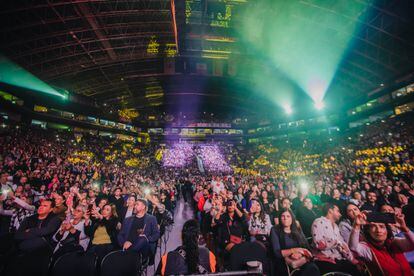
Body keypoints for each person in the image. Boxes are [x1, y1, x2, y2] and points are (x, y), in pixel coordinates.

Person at [349, 212, 414, 275]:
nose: (378, 230)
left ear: (387, 230)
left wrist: (404, 228)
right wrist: (356, 225)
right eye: (373, 227)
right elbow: (353, 247)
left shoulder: (394, 242)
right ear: (368, 231)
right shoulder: (367, 248)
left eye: (382, 226)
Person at [311, 203, 361, 275]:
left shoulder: (336, 226)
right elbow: (319, 244)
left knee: (356, 268)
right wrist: (337, 243)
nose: (340, 214)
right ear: (330, 211)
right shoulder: (319, 221)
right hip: (325, 259)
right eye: (337, 211)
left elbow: (343, 245)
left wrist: (352, 259)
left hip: (338, 258)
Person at [271, 208, 319, 276]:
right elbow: (277, 253)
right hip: (284, 262)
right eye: (283, 216)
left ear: (292, 218)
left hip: (301, 258)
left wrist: (300, 254)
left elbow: (306, 246)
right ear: (280, 218)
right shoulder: (275, 230)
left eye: (288, 216)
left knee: (312, 268)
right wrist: (296, 250)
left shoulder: (297, 228)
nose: (285, 218)